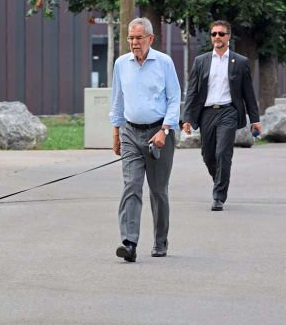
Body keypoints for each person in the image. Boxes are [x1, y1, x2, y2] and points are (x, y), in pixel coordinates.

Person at [109, 17, 181, 262]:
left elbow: (174, 98)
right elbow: (117, 99)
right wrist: (116, 133)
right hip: (130, 132)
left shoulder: (164, 63)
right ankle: (129, 242)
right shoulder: (121, 64)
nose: (134, 42)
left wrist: (165, 130)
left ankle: (160, 241)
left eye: (139, 37)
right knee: (131, 185)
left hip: (158, 133)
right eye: (130, 38)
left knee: (158, 190)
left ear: (151, 38)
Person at [183, 20, 261, 211]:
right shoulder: (201, 61)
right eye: (214, 34)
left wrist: (255, 120)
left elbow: (248, 93)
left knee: (223, 153)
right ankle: (220, 178)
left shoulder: (240, 62)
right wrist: (186, 118)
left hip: (229, 111)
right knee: (208, 156)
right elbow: (192, 91)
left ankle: (218, 196)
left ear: (228, 37)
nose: (217, 37)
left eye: (221, 34)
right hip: (206, 114)